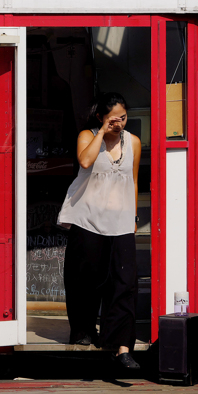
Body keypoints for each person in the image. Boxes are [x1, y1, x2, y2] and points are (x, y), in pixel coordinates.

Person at [57, 92, 142, 370]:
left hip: (120, 222)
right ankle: (83, 331)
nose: (119, 123)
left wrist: (133, 216)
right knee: (85, 280)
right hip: (88, 219)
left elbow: (133, 180)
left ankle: (122, 346)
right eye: (112, 119)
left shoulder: (134, 142)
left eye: (123, 118)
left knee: (124, 284)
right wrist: (102, 133)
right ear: (101, 118)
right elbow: (85, 161)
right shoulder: (87, 135)